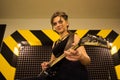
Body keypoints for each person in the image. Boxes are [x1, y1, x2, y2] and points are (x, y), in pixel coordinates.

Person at [41, 11, 91, 80]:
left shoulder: (74, 37)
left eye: (60, 22)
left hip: (75, 75)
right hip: (59, 76)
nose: (58, 25)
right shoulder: (55, 43)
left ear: (67, 23)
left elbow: (87, 61)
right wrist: (47, 65)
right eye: (55, 24)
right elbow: (52, 61)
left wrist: (80, 56)